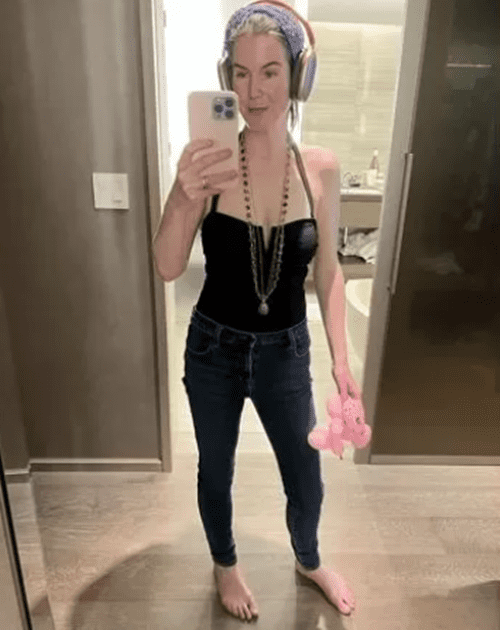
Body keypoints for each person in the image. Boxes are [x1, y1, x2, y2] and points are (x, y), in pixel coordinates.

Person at [153, 1, 361, 622]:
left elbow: (329, 269)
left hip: (287, 352)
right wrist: (181, 194)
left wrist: (342, 360)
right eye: (240, 74)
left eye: (271, 72)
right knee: (215, 470)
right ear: (227, 79)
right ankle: (225, 565)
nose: (254, 91)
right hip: (212, 349)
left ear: (297, 76)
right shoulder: (211, 165)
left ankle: (308, 559)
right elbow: (167, 266)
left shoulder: (320, 168)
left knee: (306, 474)